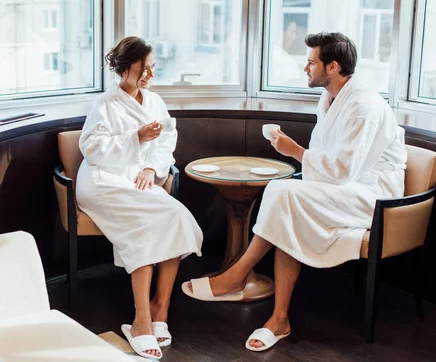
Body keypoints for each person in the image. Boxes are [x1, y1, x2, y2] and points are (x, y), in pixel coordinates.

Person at [182, 32, 407, 352]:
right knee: (286, 204)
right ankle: (278, 317)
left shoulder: (363, 104)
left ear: (332, 66)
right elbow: (327, 158)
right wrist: (301, 154)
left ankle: (237, 278)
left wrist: (293, 150)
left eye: (310, 62)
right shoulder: (329, 98)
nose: (305, 68)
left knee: (284, 196)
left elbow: (343, 170)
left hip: (376, 196)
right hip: (343, 186)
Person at [76, 36, 204, 360]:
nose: (149, 75)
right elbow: (90, 149)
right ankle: (141, 320)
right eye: (143, 68)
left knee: (175, 216)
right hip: (103, 180)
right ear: (124, 68)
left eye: (153, 68)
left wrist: (150, 167)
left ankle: (161, 308)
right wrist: (135, 138)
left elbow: (166, 143)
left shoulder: (155, 102)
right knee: (145, 223)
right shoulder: (104, 104)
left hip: (138, 179)